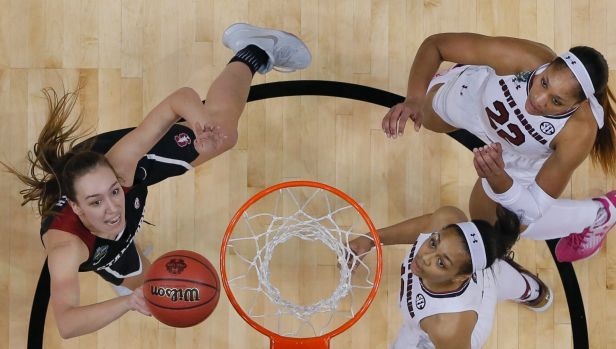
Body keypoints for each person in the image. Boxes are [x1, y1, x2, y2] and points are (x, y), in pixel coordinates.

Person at [1, 23, 311, 339]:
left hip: (122, 166)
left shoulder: (121, 167)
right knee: (153, 287)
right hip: (100, 236)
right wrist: (128, 303)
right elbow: (68, 324)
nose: (112, 208)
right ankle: (125, 265)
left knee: (225, 135)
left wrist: (203, 126)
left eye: (111, 194)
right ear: (78, 209)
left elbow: (180, 99)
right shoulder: (68, 249)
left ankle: (254, 49)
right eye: (96, 202)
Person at [380, 33, 616, 261]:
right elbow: (436, 46)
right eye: (543, 83)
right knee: (428, 116)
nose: (538, 99)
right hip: (475, 103)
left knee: (495, 225)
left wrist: (499, 179)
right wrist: (413, 99)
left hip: (519, 155)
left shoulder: (579, 131)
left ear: (579, 104)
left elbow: (532, 208)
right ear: (548, 66)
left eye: (556, 101)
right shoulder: (522, 58)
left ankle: (600, 214)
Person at [349, 205, 552, 349]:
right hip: (476, 277)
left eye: (441, 262)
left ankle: (531, 291)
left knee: (495, 278)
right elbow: (428, 224)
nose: (424, 257)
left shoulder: (446, 327)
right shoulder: (447, 219)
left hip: (461, 334)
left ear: (460, 277)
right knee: (498, 272)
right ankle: (524, 284)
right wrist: (372, 239)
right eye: (434, 242)